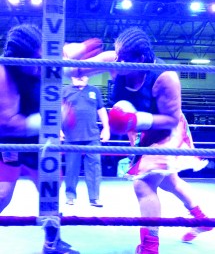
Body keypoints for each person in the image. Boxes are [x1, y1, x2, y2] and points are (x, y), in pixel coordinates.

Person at [63, 27, 212, 254]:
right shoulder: (115, 62)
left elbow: (171, 120)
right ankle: (203, 220)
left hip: (166, 130)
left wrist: (135, 120)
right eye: (116, 54)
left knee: (143, 183)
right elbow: (73, 71)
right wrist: (75, 52)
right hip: (139, 131)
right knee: (167, 181)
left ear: (141, 58)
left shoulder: (165, 76)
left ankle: (150, 248)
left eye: (123, 58)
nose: (117, 61)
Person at [0, 23, 102, 254]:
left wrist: (110, 59)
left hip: (41, 142)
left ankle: (52, 243)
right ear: (20, 58)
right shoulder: (4, 73)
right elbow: (8, 123)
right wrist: (53, 116)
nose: (40, 63)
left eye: (42, 55)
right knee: (2, 194)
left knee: (51, 194)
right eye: (35, 59)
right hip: (10, 142)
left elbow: (72, 58)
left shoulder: (44, 60)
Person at [61, 75, 110, 207]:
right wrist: (58, 130)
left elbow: (101, 110)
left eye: (83, 74)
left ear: (88, 76)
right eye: (77, 75)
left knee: (94, 168)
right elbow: (58, 111)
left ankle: (94, 198)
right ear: (71, 77)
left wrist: (106, 128)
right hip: (71, 136)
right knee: (71, 168)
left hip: (92, 136)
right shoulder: (65, 91)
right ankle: (70, 196)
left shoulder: (95, 90)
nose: (80, 77)